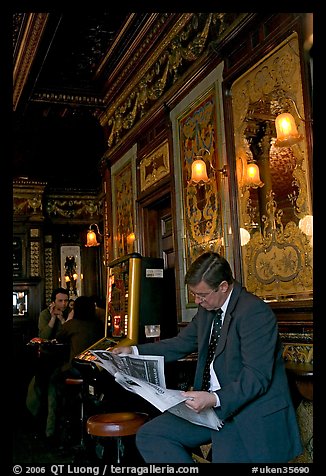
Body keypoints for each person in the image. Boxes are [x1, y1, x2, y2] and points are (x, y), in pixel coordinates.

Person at [112, 251, 303, 463]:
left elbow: (256, 377)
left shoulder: (254, 313)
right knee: (151, 435)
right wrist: (134, 351)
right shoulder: (208, 310)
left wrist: (214, 398)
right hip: (211, 409)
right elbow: (182, 343)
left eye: (201, 295)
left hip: (245, 412)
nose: (197, 301)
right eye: (194, 294)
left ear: (223, 286)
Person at [26, 287, 70, 439]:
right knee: (42, 386)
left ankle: (52, 429)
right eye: (60, 301)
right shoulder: (44, 314)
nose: (64, 304)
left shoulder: (69, 314)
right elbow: (43, 336)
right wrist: (52, 318)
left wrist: (63, 320)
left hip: (63, 359)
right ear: (53, 302)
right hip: (46, 358)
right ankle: (41, 425)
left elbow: (68, 335)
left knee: (54, 388)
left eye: (66, 301)